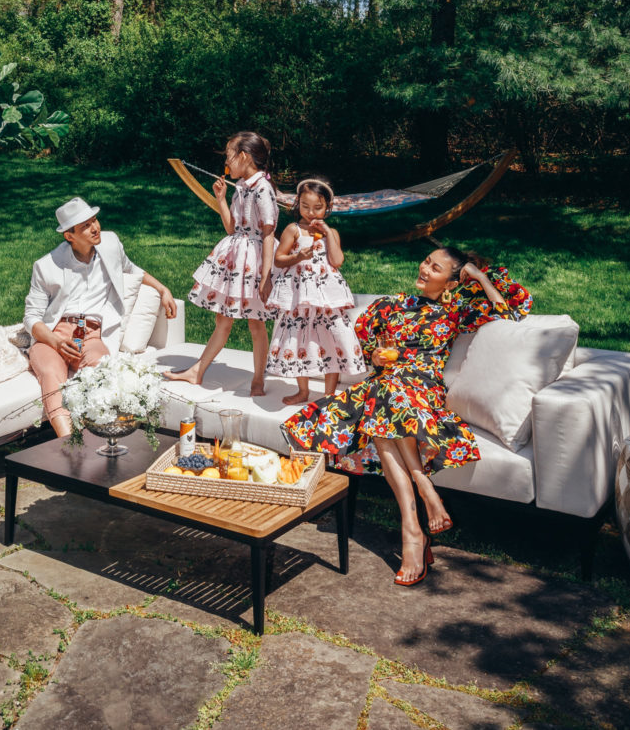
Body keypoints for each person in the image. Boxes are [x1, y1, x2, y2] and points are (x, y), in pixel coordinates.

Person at [283, 246, 531, 587]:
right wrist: (377, 358)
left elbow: (512, 311)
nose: (425, 269)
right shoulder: (393, 304)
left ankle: (415, 522)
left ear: (450, 281)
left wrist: (479, 277)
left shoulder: (456, 309)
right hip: (384, 388)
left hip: (422, 393)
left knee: (384, 399)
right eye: (426, 261)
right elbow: (362, 343)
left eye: (436, 268)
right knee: (384, 392)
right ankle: (417, 513)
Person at [24, 196, 177, 438]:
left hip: (93, 335)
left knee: (102, 370)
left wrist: (162, 289)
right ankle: (69, 443)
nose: (95, 228)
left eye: (94, 220)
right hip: (54, 337)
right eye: (85, 225)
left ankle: (96, 438)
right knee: (52, 375)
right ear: (69, 236)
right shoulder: (47, 266)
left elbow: (131, 269)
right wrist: (55, 342)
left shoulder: (110, 244)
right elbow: (31, 317)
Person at [164, 130, 277, 396]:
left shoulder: (262, 188)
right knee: (222, 319)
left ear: (244, 156)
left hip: (253, 261)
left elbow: (269, 233)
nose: (226, 162)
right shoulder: (241, 187)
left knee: (255, 322)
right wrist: (221, 199)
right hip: (235, 258)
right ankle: (197, 371)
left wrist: (266, 276)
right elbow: (231, 228)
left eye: (229, 156)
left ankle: (259, 379)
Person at [266, 178, 365, 405]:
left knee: (331, 340)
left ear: (327, 208)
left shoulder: (333, 233)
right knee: (300, 340)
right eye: (305, 206)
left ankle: (329, 395)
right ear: (297, 204)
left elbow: (337, 261)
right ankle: (303, 391)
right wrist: (298, 257)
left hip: (326, 299)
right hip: (301, 297)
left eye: (317, 208)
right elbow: (279, 260)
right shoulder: (293, 230)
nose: (311, 213)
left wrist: (328, 233)